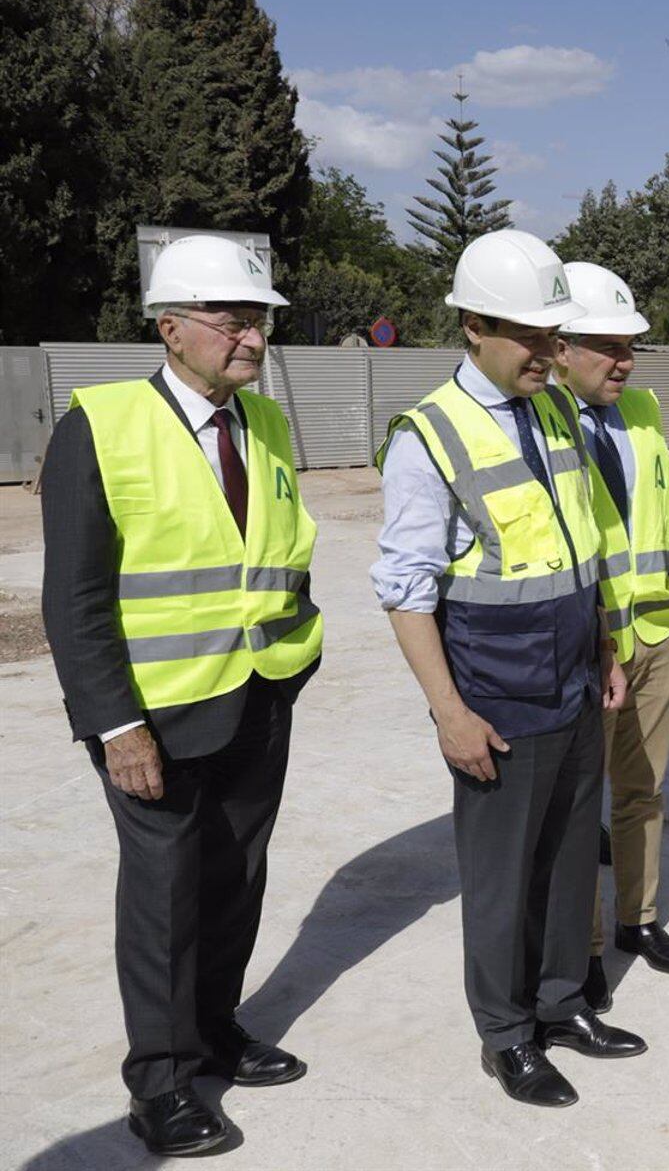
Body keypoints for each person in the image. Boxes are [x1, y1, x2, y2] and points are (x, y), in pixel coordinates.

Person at [40, 234, 324, 1156]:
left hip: (257, 693)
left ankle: (215, 1030)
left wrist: (291, 662)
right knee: (164, 894)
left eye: (261, 320)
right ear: (170, 326)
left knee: (237, 876)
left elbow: (280, 555)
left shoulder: (267, 424)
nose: (252, 335)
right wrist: (116, 724)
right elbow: (74, 597)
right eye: (233, 318)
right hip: (151, 714)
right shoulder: (103, 423)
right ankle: (159, 1083)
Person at [372, 229, 643, 1108]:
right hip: (496, 699)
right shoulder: (429, 437)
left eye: (553, 336)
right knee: (499, 882)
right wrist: (449, 712)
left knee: (570, 862)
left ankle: (563, 1004)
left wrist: (603, 645)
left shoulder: (555, 410)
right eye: (530, 335)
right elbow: (407, 592)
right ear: (473, 325)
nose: (547, 352)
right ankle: (506, 1034)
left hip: (571, 683)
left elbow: (585, 548)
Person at [553, 261, 669, 1011]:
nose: (624, 361)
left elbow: (662, 522)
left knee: (642, 792)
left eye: (630, 345)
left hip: (658, 631)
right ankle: (587, 949)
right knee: (580, 807)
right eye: (606, 346)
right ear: (560, 345)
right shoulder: (540, 424)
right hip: (587, 645)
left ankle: (638, 919)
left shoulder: (643, 411)